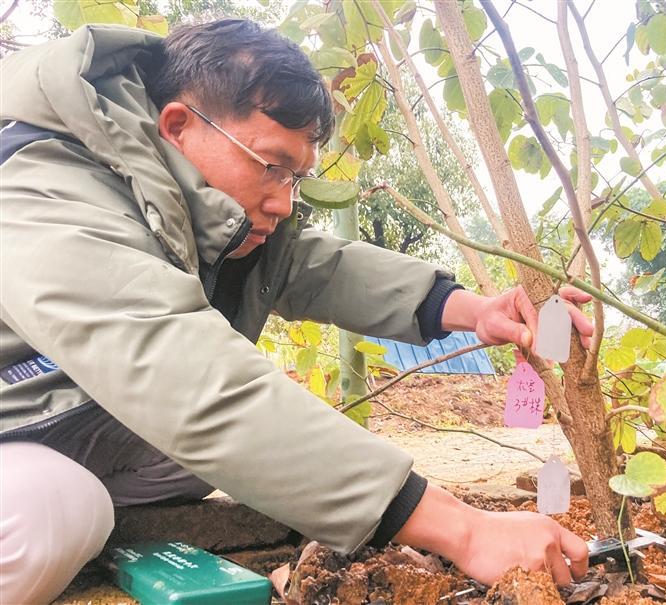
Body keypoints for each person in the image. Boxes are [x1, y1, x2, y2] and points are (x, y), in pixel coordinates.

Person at [0, 19, 593, 604]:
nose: (285, 201)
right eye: (271, 165)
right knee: (50, 514)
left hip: (46, 429)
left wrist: (478, 310)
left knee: (221, 463)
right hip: (29, 450)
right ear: (178, 126)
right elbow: (184, 377)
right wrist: (464, 530)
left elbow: (313, 267)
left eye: (297, 177)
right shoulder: (45, 189)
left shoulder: (185, 199)